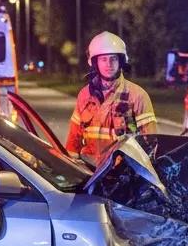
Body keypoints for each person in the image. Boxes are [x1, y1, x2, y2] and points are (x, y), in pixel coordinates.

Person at [66, 32, 157, 161]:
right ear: (95, 62)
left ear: (121, 61)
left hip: (121, 175)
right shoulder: (84, 95)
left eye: (113, 58)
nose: (108, 64)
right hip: (89, 173)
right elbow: (73, 141)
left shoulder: (137, 96)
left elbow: (151, 144)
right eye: (103, 59)